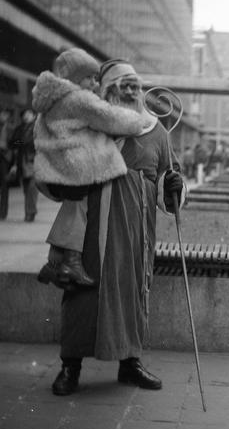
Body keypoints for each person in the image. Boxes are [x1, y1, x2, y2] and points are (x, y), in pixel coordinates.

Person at [49, 58, 186, 397]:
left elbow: (168, 191)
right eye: (121, 84)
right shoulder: (90, 126)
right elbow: (60, 170)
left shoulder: (157, 132)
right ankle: (71, 366)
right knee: (82, 293)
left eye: (134, 84)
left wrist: (175, 187)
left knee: (134, 291)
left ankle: (130, 364)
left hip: (137, 233)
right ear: (107, 91)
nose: (129, 90)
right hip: (90, 227)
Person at [31, 48, 145, 288]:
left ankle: (56, 263)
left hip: (58, 166)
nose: (94, 84)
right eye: (90, 78)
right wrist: (137, 121)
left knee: (77, 202)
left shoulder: (51, 100)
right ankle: (70, 261)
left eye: (135, 87)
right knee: (82, 199)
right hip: (77, 165)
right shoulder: (80, 99)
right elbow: (110, 117)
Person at [9, 108, 38, 222]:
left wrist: (23, 142)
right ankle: (30, 211)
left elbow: (39, 142)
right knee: (26, 189)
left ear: (33, 115)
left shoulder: (38, 128)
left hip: (34, 161)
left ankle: (30, 212)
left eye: (28, 114)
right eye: (24, 114)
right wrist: (22, 142)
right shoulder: (20, 129)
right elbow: (12, 142)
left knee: (32, 188)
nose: (26, 116)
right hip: (22, 161)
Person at [0, 107, 15, 220]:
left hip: (5, 158)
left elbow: (20, 141)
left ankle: (3, 213)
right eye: (2, 114)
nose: (3, 116)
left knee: (5, 186)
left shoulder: (11, 128)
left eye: (6, 114)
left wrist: (11, 145)